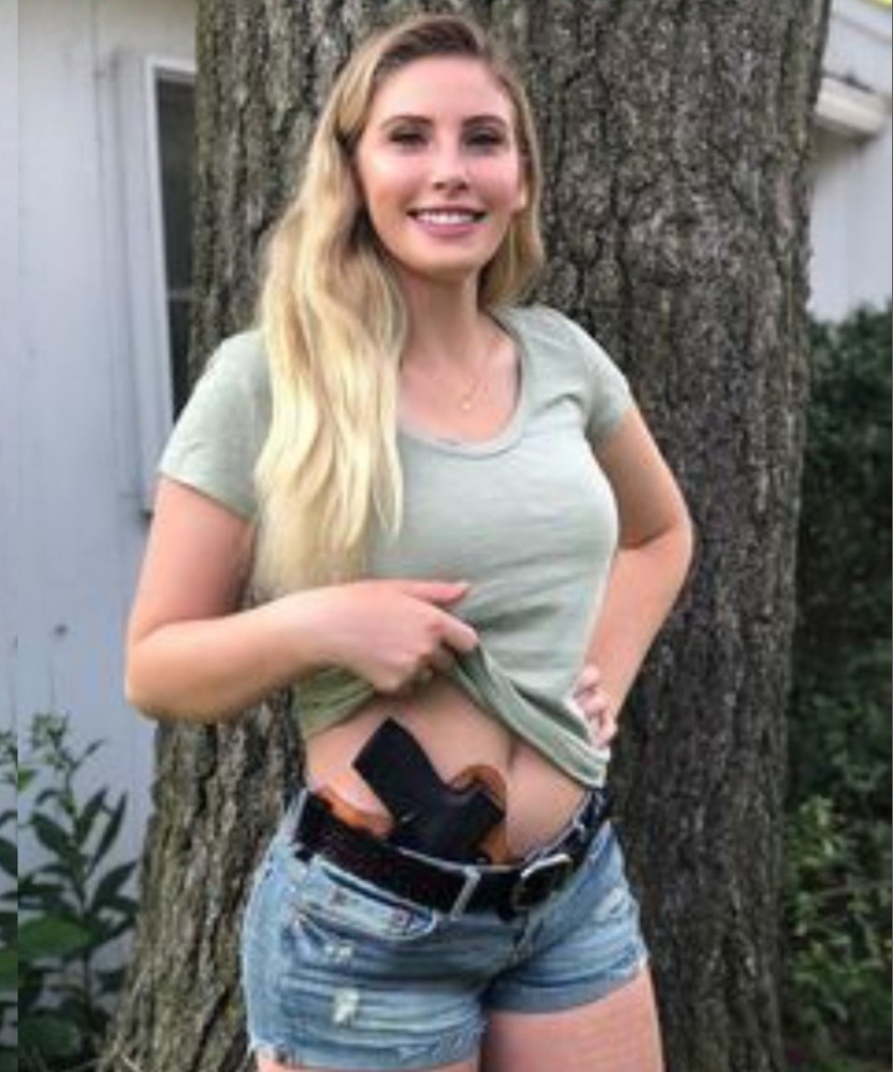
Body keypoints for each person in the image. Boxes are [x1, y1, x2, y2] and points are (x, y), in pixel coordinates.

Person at [125, 12, 693, 1072]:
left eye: (483, 139)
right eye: (407, 137)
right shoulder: (267, 380)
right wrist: (322, 625)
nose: (449, 171)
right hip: (366, 932)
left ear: (520, 178)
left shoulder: (563, 358)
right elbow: (155, 668)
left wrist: (604, 677)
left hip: (571, 898)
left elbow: (659, 534)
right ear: (352, 171)